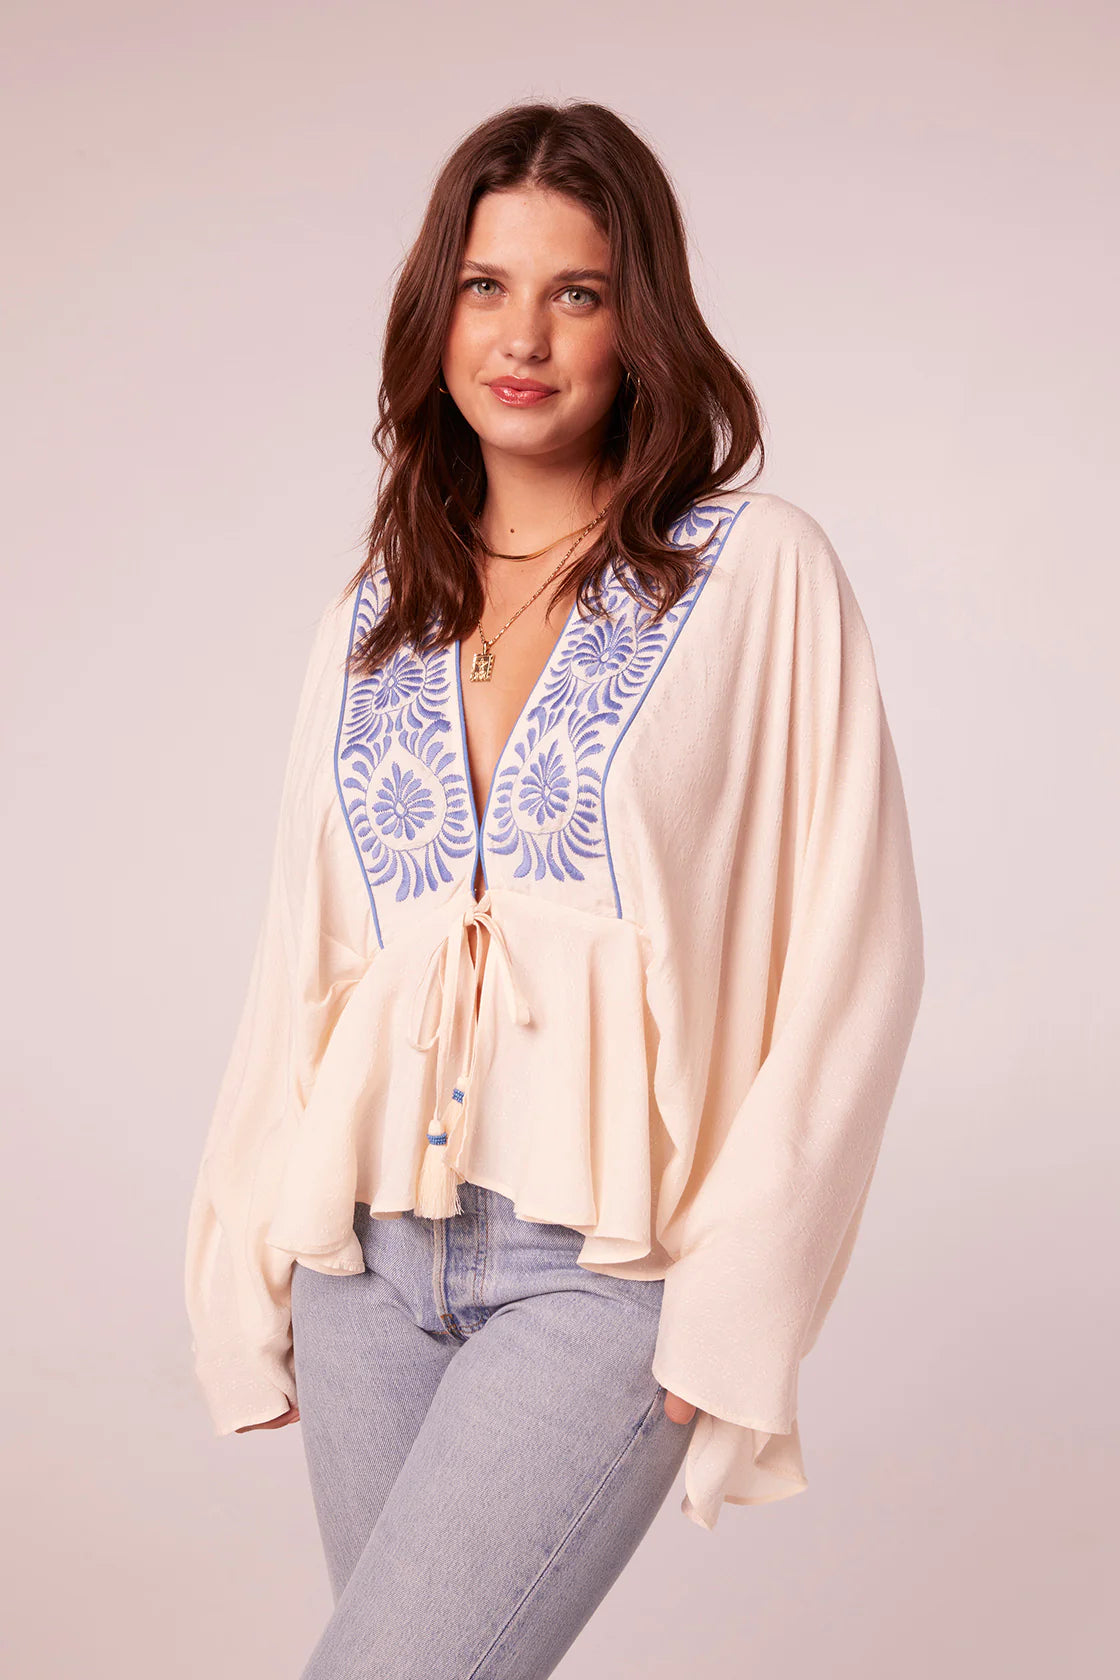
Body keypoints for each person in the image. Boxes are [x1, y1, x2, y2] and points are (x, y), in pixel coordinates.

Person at [183, 98, 925, 1677]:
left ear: (635, 323)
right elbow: (304, 960)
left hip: (602, 1271)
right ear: (436, 314)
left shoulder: (751, 574)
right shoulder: (373, 614)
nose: (523, 337)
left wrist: (742, 1291)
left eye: (575, 292)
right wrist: (250, 1248)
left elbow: (855, 952)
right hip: (366, 1265)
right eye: (485, 287)